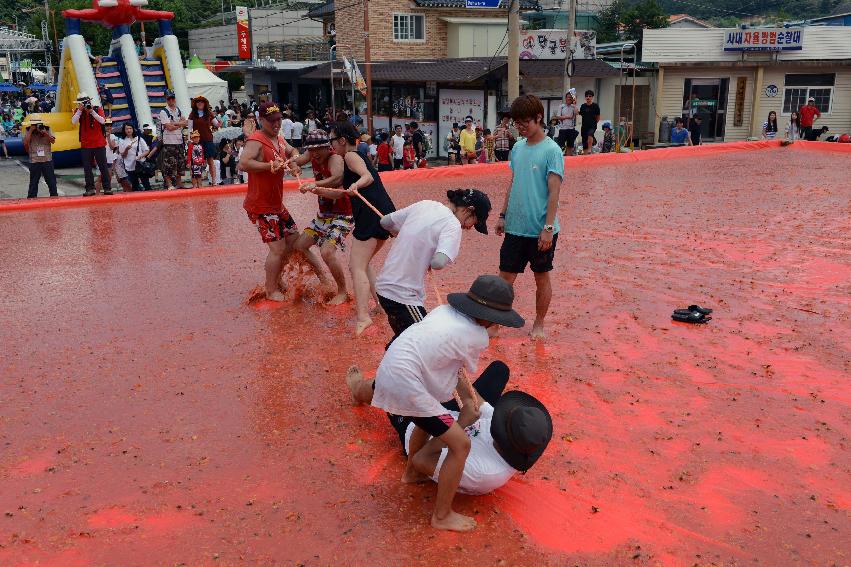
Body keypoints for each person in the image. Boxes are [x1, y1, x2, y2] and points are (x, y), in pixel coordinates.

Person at [346, 275, 525, 531]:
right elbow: (461, 371)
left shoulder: (444, 311)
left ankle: (412, 473)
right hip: (408, 383)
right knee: (460, 444)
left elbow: (452, 368)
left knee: (434, 410)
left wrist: (465, 400)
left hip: (395, 368)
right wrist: (467, 402)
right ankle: (441, 516)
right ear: (489, 317)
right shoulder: (476, 336)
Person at [375, 188, 490, 346]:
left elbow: (385, 222)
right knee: (423, 342)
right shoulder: (452, 224)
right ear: (469, 210)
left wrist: (407, 235)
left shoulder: (425, 204)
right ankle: (393, 364)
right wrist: (430, 255)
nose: (469, 227)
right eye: (474, 222)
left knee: (407, 338)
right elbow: (438, 263)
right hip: (401, 293)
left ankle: (394, 359)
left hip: (384, 286)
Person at [239, 101, 327, 302]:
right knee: (277, 249)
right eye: (272, 121)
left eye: (278, 119)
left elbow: (292, 151)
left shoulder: (277, 138)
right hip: (261, 205)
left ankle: (277, 280)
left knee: (294, 241)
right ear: (262, 121)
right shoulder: (256, 140)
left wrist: (294, 162)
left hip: (276, 204)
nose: (277, 123)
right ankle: (271, 290)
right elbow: (243, 163)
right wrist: (269, 165)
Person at [496, 95, 563, 340]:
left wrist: (547, 227)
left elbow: (554, 191)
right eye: (517, 123)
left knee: (541, 276)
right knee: (504, 278)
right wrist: (503, 215)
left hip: (540, 229)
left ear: (539, 118)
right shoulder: (517, 148)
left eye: (525, 122)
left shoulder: (552, 151)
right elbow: (513, 183)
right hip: (515, 225)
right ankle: (495, 323)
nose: (521, 127)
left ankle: (539, 323)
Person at [330, 120, 396, 335]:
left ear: (342, 140)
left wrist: (357, 184)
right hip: (381, 213)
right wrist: (314, 189)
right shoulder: (354, 156)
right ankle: (380, 306)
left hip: (371, 215)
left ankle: (363, 317)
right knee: (364, 264)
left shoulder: (350, 155)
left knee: (356, 266)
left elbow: (366, 178)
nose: (332, 146)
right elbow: (339, 191)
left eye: (332, 141)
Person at [290, 129, 352, 305]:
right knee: (300, 246)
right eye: (311, 149)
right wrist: (293, 165)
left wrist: (313, 185)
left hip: (342, 215)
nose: (314, 153)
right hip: (323, 215)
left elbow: (337, 179)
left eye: (318, 149)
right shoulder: (312, 154)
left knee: (326, 251)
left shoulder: (335, 158)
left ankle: (342, 291)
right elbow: (297, 160)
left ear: (327, 147)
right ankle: (324, 279)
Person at [71, 92, 112, 197]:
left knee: (103, 166)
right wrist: (80, 110)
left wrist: (92, 111)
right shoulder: (78, 111)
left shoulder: (97, 109)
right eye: (82, 103)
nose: (85, 104)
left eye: (86, 102)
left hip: (99, 143)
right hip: (86, 144)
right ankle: (90, 189)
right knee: (87, 167)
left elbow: (103, 121)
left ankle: (107, 188)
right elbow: (73, 121)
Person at [188, 96, 221, 186]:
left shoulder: (209, 113)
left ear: (205, 103)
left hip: (208, 139)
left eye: (201, 102)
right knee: (197, 162)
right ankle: (199, 183)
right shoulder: (192, 114)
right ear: (195, 104)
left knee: (210, 161)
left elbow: (217, 124)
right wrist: (189, 140)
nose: (200, 103)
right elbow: (190, 128)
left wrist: (219, 123)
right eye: (198, 102)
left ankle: (214, 181)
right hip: (197, 141)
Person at [159, 90, 188, 190]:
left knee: (180, 163)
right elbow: (169, 127)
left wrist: (175, 123)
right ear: (166, 99)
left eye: (172, 98)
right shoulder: (164, 111)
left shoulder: (178, 110)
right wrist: (179, 123)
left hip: (179, 140)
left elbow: (186, 122)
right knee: (168, 164)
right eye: (169, 98)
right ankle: (169, 184)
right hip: (169, 141)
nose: (171, 100)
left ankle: (179, 183)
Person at [23, 115, 58, 198]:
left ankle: (55, 198)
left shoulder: (47, 128)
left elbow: (53, 141)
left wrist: (45, 133)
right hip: (35, 160)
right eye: (34, 124)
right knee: (33, 183)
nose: (36, 126)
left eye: (37, 124)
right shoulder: (28, 130)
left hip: (47, 159)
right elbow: (25, 143)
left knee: (51, 182)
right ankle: (31, 199)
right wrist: (31, 130)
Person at [119, 123, 152, 192]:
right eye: (127, 129)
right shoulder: (122, 141)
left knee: (146, 183)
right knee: (135, 185)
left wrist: (140, 156)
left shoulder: (139, 139)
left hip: (140, 164)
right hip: (130, 166)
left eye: (130, 128)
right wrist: (126, 149)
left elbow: (146, 150)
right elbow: (123, 155)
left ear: (133, 129)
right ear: (124, 130)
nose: (129, 130)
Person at [554, 91, 578, 155]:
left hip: (571, 128)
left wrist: (575, 104)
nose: (569, 99)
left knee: (570, 145)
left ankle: (568, 158)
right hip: (563, 128)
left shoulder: (573, 107)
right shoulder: (561, 106)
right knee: (560, 145)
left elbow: (576, 113)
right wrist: (567, 117)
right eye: (568, 97)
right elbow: (558, 116)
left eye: (571, 97)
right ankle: (560, 156)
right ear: (565, 98)